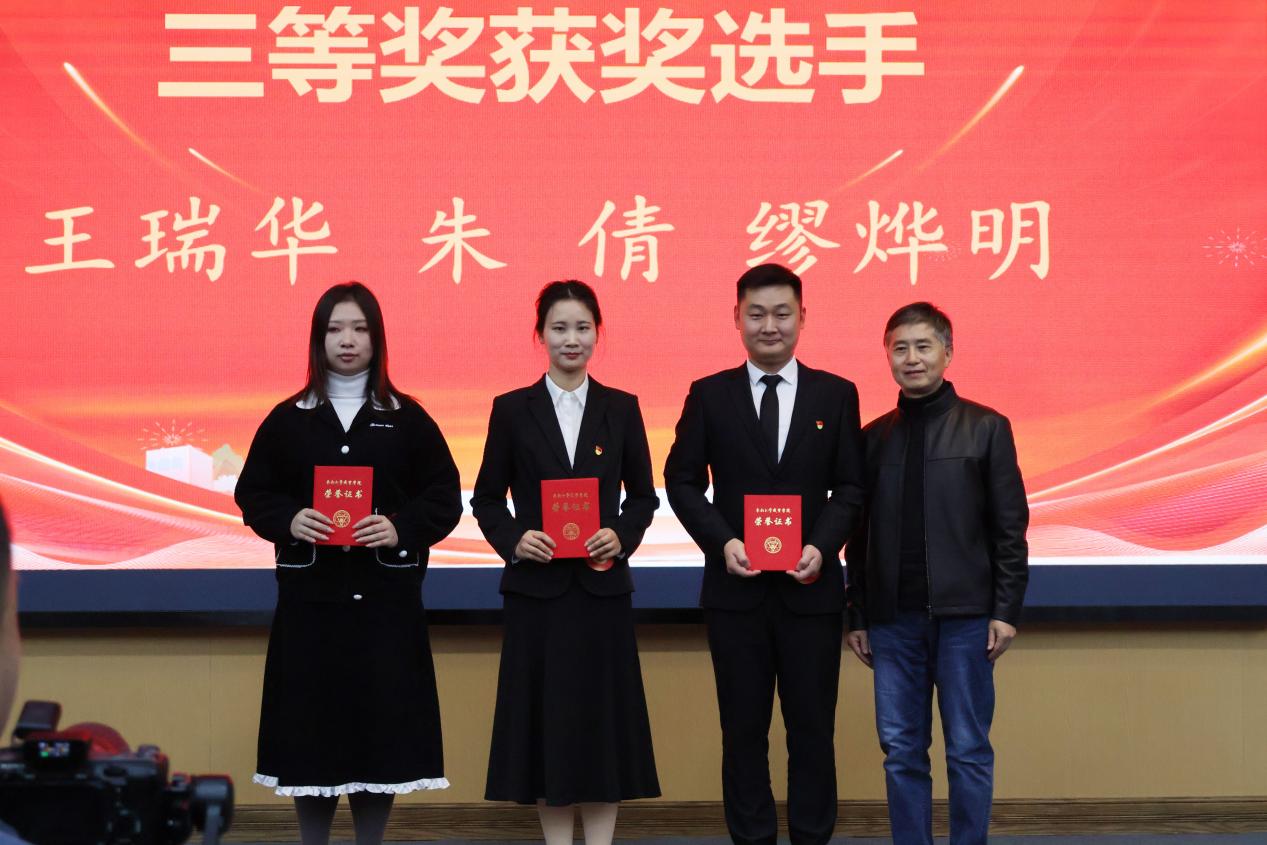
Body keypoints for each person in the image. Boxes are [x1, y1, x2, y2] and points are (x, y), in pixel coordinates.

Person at [235, 282, 462, 845]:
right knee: (310, 734)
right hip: (310, 610)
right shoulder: (288, 419)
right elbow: (253, 493)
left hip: (386, 610)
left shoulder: (407, 418)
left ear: (377, 338)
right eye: (335, 328)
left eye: (359, 328)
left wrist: (400, 527)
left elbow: (444, 496)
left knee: (379, 735)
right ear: (318, 339)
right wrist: (290, 519)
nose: (347, 340)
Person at [663, 263, 864, 845]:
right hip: (736, 594)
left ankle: (812, 836)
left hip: (811, 594)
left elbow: (852, 486)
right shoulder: (709, 395)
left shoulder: (836, 394)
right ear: (737, 318)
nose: (769, 326)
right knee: (742, 731)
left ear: (802, 317)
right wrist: (723, 540)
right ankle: (751, 838)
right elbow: (681, 481)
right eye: (756, 314)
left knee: (813, 732)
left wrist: (822, 546)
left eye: (782, 313)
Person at [472, 280, 660, 845]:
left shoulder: (621, 408)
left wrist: (620, 534)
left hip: (602, 595)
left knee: (602, 731)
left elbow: (643, 497)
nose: (571, 339)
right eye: (559, 328)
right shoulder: (512, 409)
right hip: (538, 596)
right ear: (541, 335)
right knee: (546, 730)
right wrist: (515, 539)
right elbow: (486, 499)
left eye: (582, 327)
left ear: (597, 334)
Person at [844, 302, 1029, 845]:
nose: (912, 358)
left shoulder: (987, 428)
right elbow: (857, 539)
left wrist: (1005, 610)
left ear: (948, 353)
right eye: (900, 348)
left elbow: (1010, 528)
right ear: (887, 356)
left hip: (966, 619)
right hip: (892, 622)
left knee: (968, 748)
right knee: (901, 751)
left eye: (923, 346)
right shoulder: (872, 439)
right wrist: (857, 613)